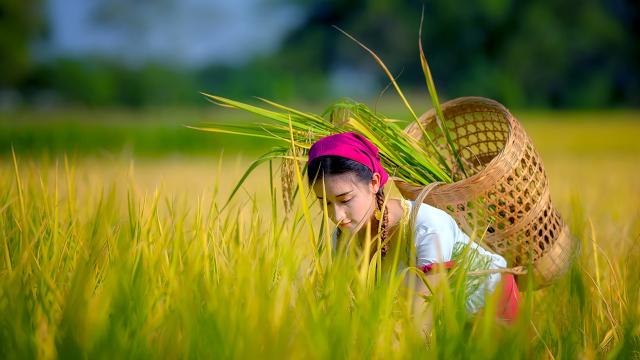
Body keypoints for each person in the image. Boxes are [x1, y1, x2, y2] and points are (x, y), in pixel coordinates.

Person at [305, 131, 520, 330]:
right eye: (325, 203)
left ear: (374, 183)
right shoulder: (343, 237)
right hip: (447, 322)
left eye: (345, 199)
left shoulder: (426, 226)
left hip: (492, 307)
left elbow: (420, 320)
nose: (337, 216)